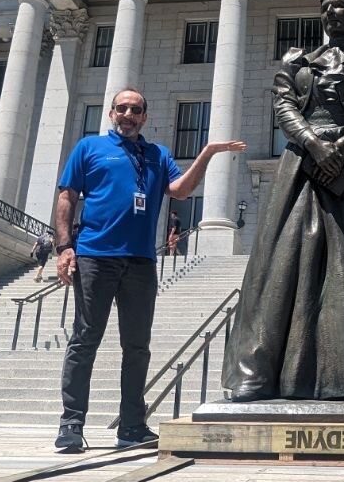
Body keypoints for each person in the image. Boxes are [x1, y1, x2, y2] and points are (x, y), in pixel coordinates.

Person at [221, 0, 344, 402]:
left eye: (340, 8)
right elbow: (284, 107)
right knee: (278, 265)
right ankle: (258, 374)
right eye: (327, 8)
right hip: (301, 165)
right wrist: (315, 144)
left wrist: (342, 146)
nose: (332, 14)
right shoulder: (297, 61)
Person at [52, 89, 246, 452]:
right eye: (122, 108)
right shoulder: (89, 148)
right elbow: (67, 197)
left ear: (144, 117)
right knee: (85, 339)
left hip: (141, 260)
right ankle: (71, 423)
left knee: (137, 346)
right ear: (111, 113)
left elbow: (180, 191)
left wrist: (206, 154)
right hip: (95, 256)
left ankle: (132, 426)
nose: (128, 114)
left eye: (135, 109)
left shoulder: (157, 154)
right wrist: (64, 249)